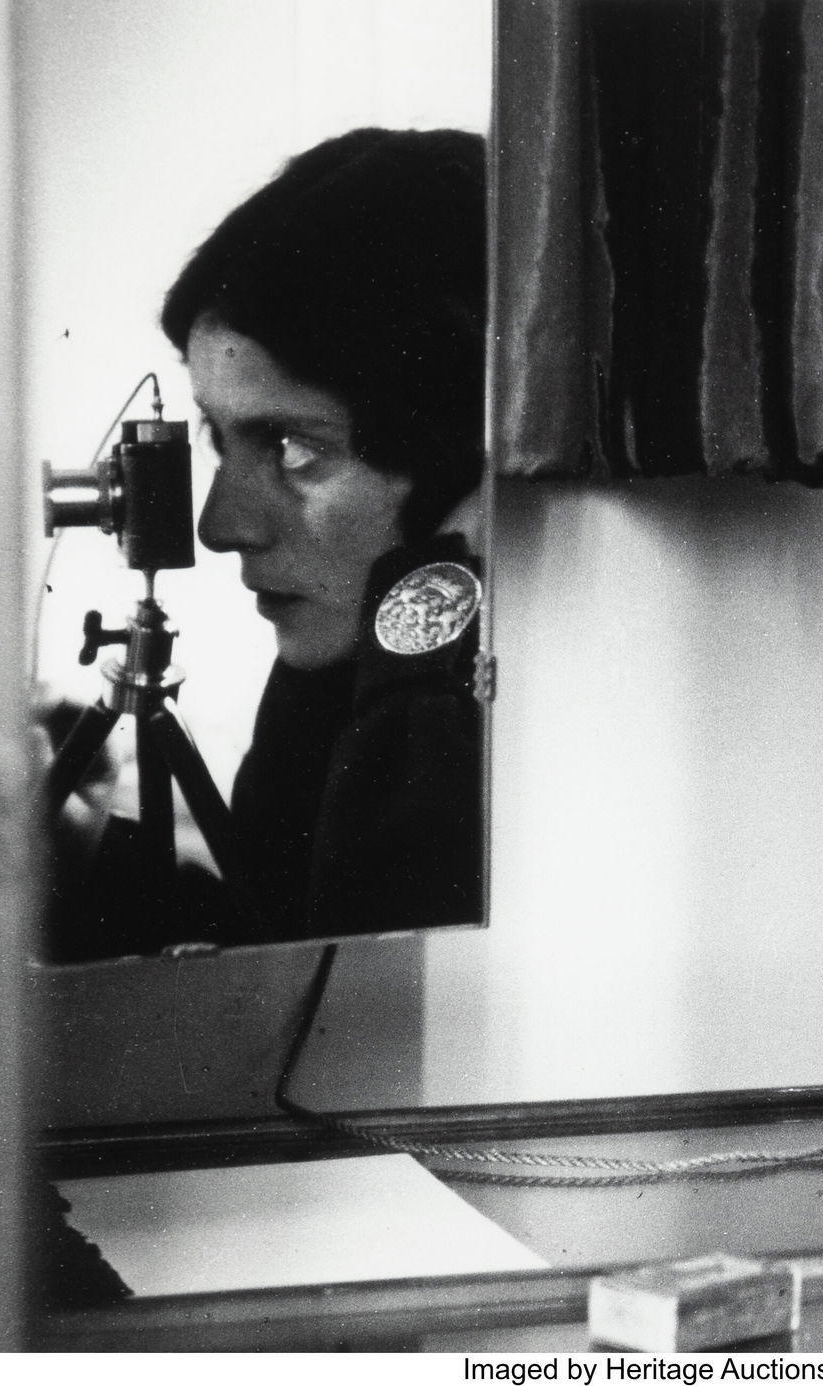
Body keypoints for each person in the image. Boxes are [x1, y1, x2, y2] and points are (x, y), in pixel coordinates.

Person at [157, 126, 488, 946]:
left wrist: (421, 617)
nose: (219, 526)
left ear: (460, 462)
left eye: (293, 449)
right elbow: (279, 939)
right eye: (216, 435)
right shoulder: (321, 681)